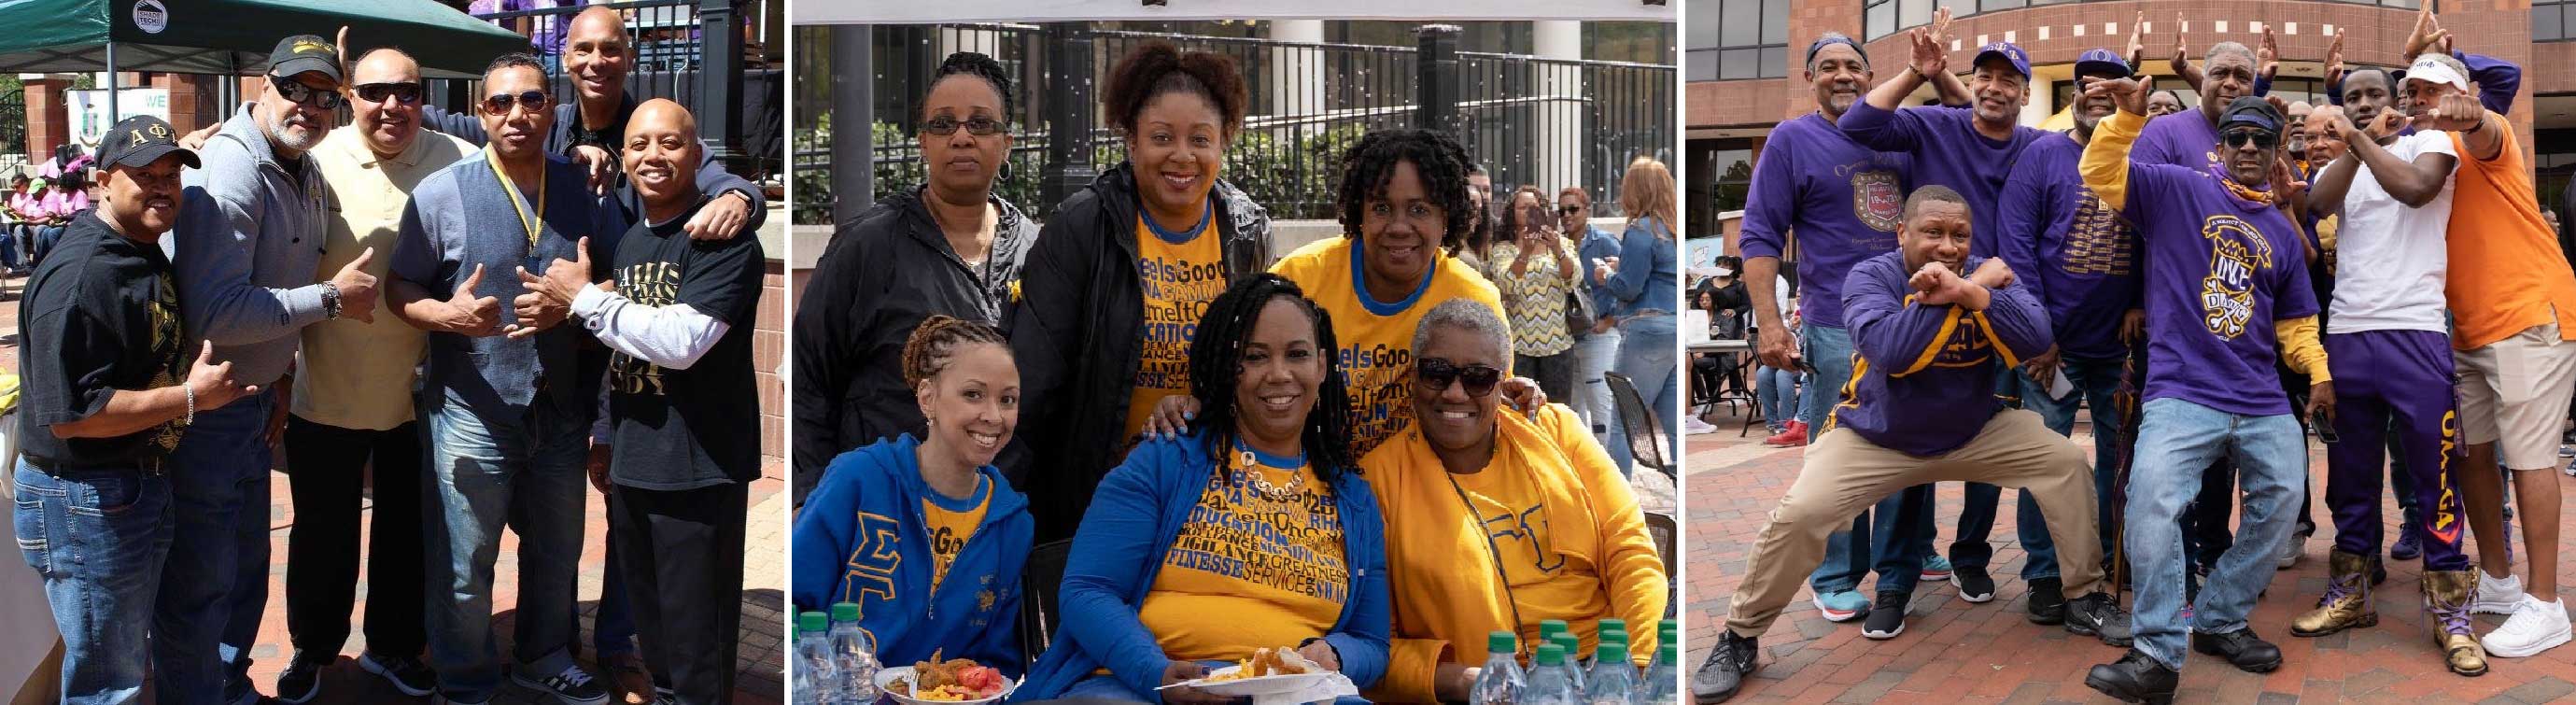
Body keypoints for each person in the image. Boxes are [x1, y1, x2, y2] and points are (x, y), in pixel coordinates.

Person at [1693, 187, 2132, 704]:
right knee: (1800, 512)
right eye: (1933, 233)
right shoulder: (1870, 277)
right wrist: (1957, 293)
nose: (1948, 247)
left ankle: (2084, 595)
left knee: (2064, 462)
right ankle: (1739, 636)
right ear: (1901, 233)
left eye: (1959, 235)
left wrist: (1970, 292)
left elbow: (2036, 337)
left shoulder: (1986, 274)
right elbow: (1892, 351)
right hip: (1877, 435)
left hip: (1973, 431)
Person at [1015, 274, 1392, 703]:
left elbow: (1371, 641)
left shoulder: (1353, 498)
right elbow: (1088, 591)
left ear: (1321, 367)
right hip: (1138, 686)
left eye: (1297, 354)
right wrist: (1157, 675)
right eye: (1255, 357)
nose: (1279, 374)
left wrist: (1337, 653)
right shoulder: (1167, 459)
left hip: (1293, 692)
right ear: (1228, 368)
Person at [2072, 82, 2330, 702]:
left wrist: (2318, 372)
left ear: (2275, 152)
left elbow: (2294, 321)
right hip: (2181, 388)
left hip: (2261, 396)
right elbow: (2102, 170)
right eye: (2236, 136)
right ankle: (2156, 653)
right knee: (2152, 505)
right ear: (2220, 144)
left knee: (2282, 503)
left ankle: (2217, 617)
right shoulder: (2174, 190)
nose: (2247, 146)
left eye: (2259, 139)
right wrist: (2129, 115)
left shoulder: (2278, 230)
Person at [387, 52, 626, 705]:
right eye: (500, 103)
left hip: (562, 404)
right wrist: (446, 313)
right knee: (464, 564)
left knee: (556, 550)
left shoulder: (585, 188)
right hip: (472, 405)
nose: (516, 114)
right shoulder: (440, 193)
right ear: (482, 113)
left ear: (553, 107)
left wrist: (574, 301)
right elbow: (398, 285)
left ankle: (542, 656)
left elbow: (619, 277)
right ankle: (464, 678)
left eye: (531, 100)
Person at [164, 34, 385, 705]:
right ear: (264, 84)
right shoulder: (233, 169)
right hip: (207, 411)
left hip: (254, 400)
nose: (310, 107)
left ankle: (227, 686)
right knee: (203, 578)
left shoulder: (301, 166)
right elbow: (217, 310)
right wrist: (330, 302)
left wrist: (283, 376)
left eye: (325, 96)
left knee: (243, 571)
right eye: (296, 89)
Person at [524, 99, 765, 703]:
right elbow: (622, 350)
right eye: (638, 144)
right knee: (655, 641)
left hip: (699, 471)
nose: (652, 155)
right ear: (622, 157)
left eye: (669, 142)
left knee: (696, 648)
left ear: (696, 152)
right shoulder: (632, 241)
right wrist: (606, 434)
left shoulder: (724, 240)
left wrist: (581, 299)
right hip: (635, 464)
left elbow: (682, 342)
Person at [13, 116, 258, 705]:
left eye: (171, 174)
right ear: (101, 181)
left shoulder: (138, 246)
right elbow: (73, 414)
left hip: (134, 484)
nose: (162, 188)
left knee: (143, 653)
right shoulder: (82, 276)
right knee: (110, 681)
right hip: (85, 499)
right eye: (144, 175)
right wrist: (192, 397)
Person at [1001, 41, 1272, 543]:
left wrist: (1201, 404)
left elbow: (1257, 368)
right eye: (1162, 137)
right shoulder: (1085, 226)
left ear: (1225, 142)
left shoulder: (1246, 231)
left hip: (1210, 504)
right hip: (1098, 499)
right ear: (1131, 140)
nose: (1182, 156)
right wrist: (1003, 509)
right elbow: (1031, 380)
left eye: (1201, 139)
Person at [274, 46, 468, 702]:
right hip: (325, 391)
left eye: (408, 92)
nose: (393, 105)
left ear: (423, 97)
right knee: (322, 533)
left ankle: (391, 647)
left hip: (420, 398)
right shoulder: (312, 159)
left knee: (406, 535)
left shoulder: (456, 159)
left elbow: (528, 167)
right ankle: (313, 648)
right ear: (351, 95)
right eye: (376, 90)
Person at [1838, 29, 2054, 614]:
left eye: (2008, 79)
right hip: (1928, 291)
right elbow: (1856, 125)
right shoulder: (1936, 122)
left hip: (1993, 306)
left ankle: (1970, 558)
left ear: (2026, 91)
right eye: (1983, 76)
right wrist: (1920, 73)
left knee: (1987, 440)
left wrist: (1990, 291)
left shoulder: (2034, 146)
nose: (1993, 87)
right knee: (1910, 443)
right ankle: (1897, 576)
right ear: (1969, 81)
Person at [1360, 300, 1667, 703]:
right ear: (1412, 377)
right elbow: (1375, 645)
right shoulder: (1378, 479)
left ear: (1503, 382)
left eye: (1478, 378)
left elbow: (1631, 552)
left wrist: (1636, 669)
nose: (1455, 393)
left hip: (1603, 671)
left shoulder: (1558, 431)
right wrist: (1466, 681)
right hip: (1489, 684)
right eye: (1437, 373)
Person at [1738, 32, 1938, 627]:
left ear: (1872, 74)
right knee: (1840, 453)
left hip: (1914, 315)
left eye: (1854, 66)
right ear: (1810, 78)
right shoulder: (1792, 140)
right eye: (1828, 67)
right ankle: (1834, 576)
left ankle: (1902, 554)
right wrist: (1770, 324)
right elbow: (1760, 234)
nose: (1843, 75)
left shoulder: (1900, 134)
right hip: (1835, 322)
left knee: (1914, 440)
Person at [2287, 57, 2480, 675]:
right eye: (2353, 98)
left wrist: (2364, 139)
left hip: (2416, 330)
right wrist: (2353, 141)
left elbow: (2416, 189)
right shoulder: (2348, 155)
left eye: (2374, 94)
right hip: (2346, 333)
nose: (2364, 103)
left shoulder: (2428, 142)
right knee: (2348, 473)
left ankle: (2451, 609)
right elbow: (2313, 205)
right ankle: (2349, 593)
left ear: (2395, 97)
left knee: (2433, 472)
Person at [2396, 51, 2576, 663]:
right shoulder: (2420, 154)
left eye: (2433, 89)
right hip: (2468, 329)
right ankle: (2498, 578)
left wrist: (2467, 113)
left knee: (2529, 459)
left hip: (2529, 315)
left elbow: (2486, 127)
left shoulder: (2479, 137)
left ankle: (2545, 606)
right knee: (2470, 452)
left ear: (2464, 92)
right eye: (2411, 89)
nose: (2420, 98)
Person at [795, 51, 1035, 505]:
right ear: (923, 142)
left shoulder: (1038, 251)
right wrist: (807, 498)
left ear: (1007, 143)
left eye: (980, 124)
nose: (962, 136)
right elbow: (810, 376)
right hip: (884, 512)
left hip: (1001, 517)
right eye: (944, 124)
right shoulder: (868, 245)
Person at [1991, 48, 2144, 621]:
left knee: (2116, 462)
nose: (2098, 93)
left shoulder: (2138, 152)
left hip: (2118, 348)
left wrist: (2139, 300)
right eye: (2088, 84)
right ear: (2073, 94)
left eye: (2112, 85)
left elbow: (2158, 236)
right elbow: (2017, 246)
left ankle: (2103, 561)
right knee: (2046, 463)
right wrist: (2037, 334)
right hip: (2051, 350)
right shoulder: (2041, 155)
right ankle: (2044, 575)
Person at [791, 316, 1032, 675]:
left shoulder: (1013, 523)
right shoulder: (858, 479)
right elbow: (796, 601)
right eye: (973, 394)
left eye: (1008, 399)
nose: (994, 416)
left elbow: (998, 662)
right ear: (927, 398)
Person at [1269, 128, 1512, 461]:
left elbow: (1494, 401)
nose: (1399, 226)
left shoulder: (1472, 298)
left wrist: (1522, 393)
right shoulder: (1299, 279)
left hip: (1417, 489)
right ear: (1360, 212)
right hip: (1310, 482)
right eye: (1382, 208)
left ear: (1446, 217)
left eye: (1419, 210)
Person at [1599, 156, 1682, 472]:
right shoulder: (1670, 230)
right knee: (1672, 426)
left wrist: (1606, 276)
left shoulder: (1639, 229)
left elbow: (1628, 288)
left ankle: (1618, 502)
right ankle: (1677, 496)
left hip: (1646, 328)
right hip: (1675, 329)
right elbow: (1663, 274)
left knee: (1624, 420)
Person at [1484, 185, 1580, 402]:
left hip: (1558, 345)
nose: (1529, 212)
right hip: (1520, 347)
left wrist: (1557, 249)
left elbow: (1573, 277)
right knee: (1520, 408)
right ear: (1512, 213)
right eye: (1523, 207)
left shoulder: (1560, 243)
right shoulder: (1504, 249)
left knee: (1557, 410)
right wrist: (1525, 251)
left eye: (1534, 207)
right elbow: (1506, 285)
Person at [1565, 187, 1623, 438]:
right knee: (1572, 410)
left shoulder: (1604, 242)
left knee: (1601, 405)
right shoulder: (1559, 246)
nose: (1567, 215)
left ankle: (1607, 468)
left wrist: (1610, 320)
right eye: (1562, 210)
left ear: (1586, 210)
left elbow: (1629, 285)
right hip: (1568, 338)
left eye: (1573, 209)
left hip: (1599, 336)